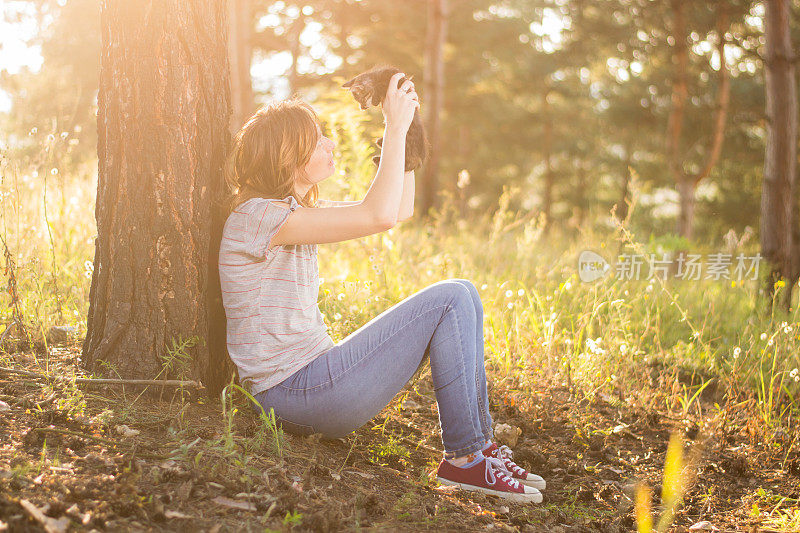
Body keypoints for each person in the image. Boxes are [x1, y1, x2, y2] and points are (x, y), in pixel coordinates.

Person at [218, 72, 546, 503]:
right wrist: (392, 126)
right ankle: (465, 462)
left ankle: (479, 450)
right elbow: (379, 216)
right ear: (287, 157)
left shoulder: (291, 213)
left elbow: (397, 208)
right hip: (292, 393)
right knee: (450, 298)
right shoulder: (256, 216)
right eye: (318, 140)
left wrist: (406, 135)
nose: (330, 145)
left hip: (311, 384)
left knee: (461, 292)